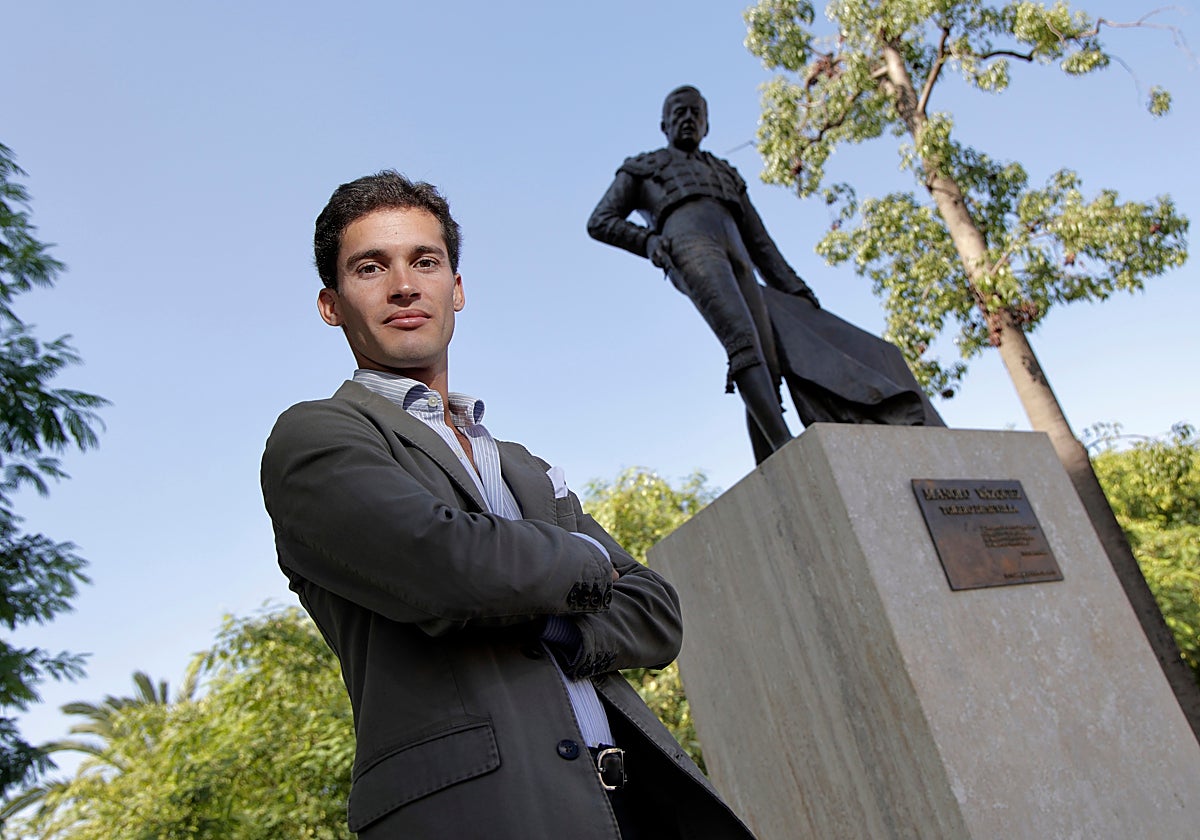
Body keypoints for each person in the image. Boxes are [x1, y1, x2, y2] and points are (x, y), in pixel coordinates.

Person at [260, 171, 755, 839]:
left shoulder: (520, 464)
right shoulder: (316, 435)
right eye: (370, 267)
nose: (403, 285)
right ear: (331, 304)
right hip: (481, 813)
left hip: (636, 804)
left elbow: (656, 611)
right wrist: (585, 558)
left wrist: (564, 628)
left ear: (456, 289)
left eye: (424, 261)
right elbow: (446, 566)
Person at [588, 86, 940, 465]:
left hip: (737, 253)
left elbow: (760, 243)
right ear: (663, 124)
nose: (687, 118)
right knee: (741, 339)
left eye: (695, 112)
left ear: (706, 125)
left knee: (769, 362)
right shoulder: (642, 168)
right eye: (678, 112)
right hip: (688, 244)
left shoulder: (724, 172)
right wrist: (647, 241)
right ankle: (784, 445)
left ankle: (769, 460)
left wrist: (794, 288)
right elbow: (600, 220)